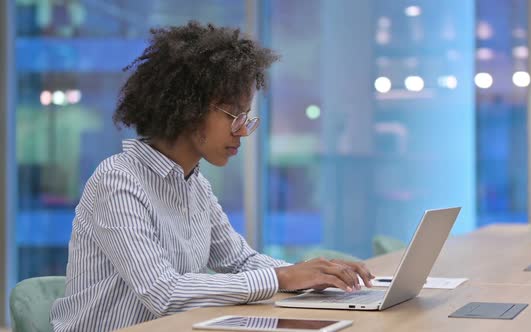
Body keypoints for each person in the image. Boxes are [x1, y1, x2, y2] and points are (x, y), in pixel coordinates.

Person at [50, 21, 374, 332]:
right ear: (187, 107)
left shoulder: (194, 184)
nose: (243, 131)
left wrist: (315, 274)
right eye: (234, 115)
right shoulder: (118, 180)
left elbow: (239, 260)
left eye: (247, 117)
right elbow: (162, 292)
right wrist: (282, 278)